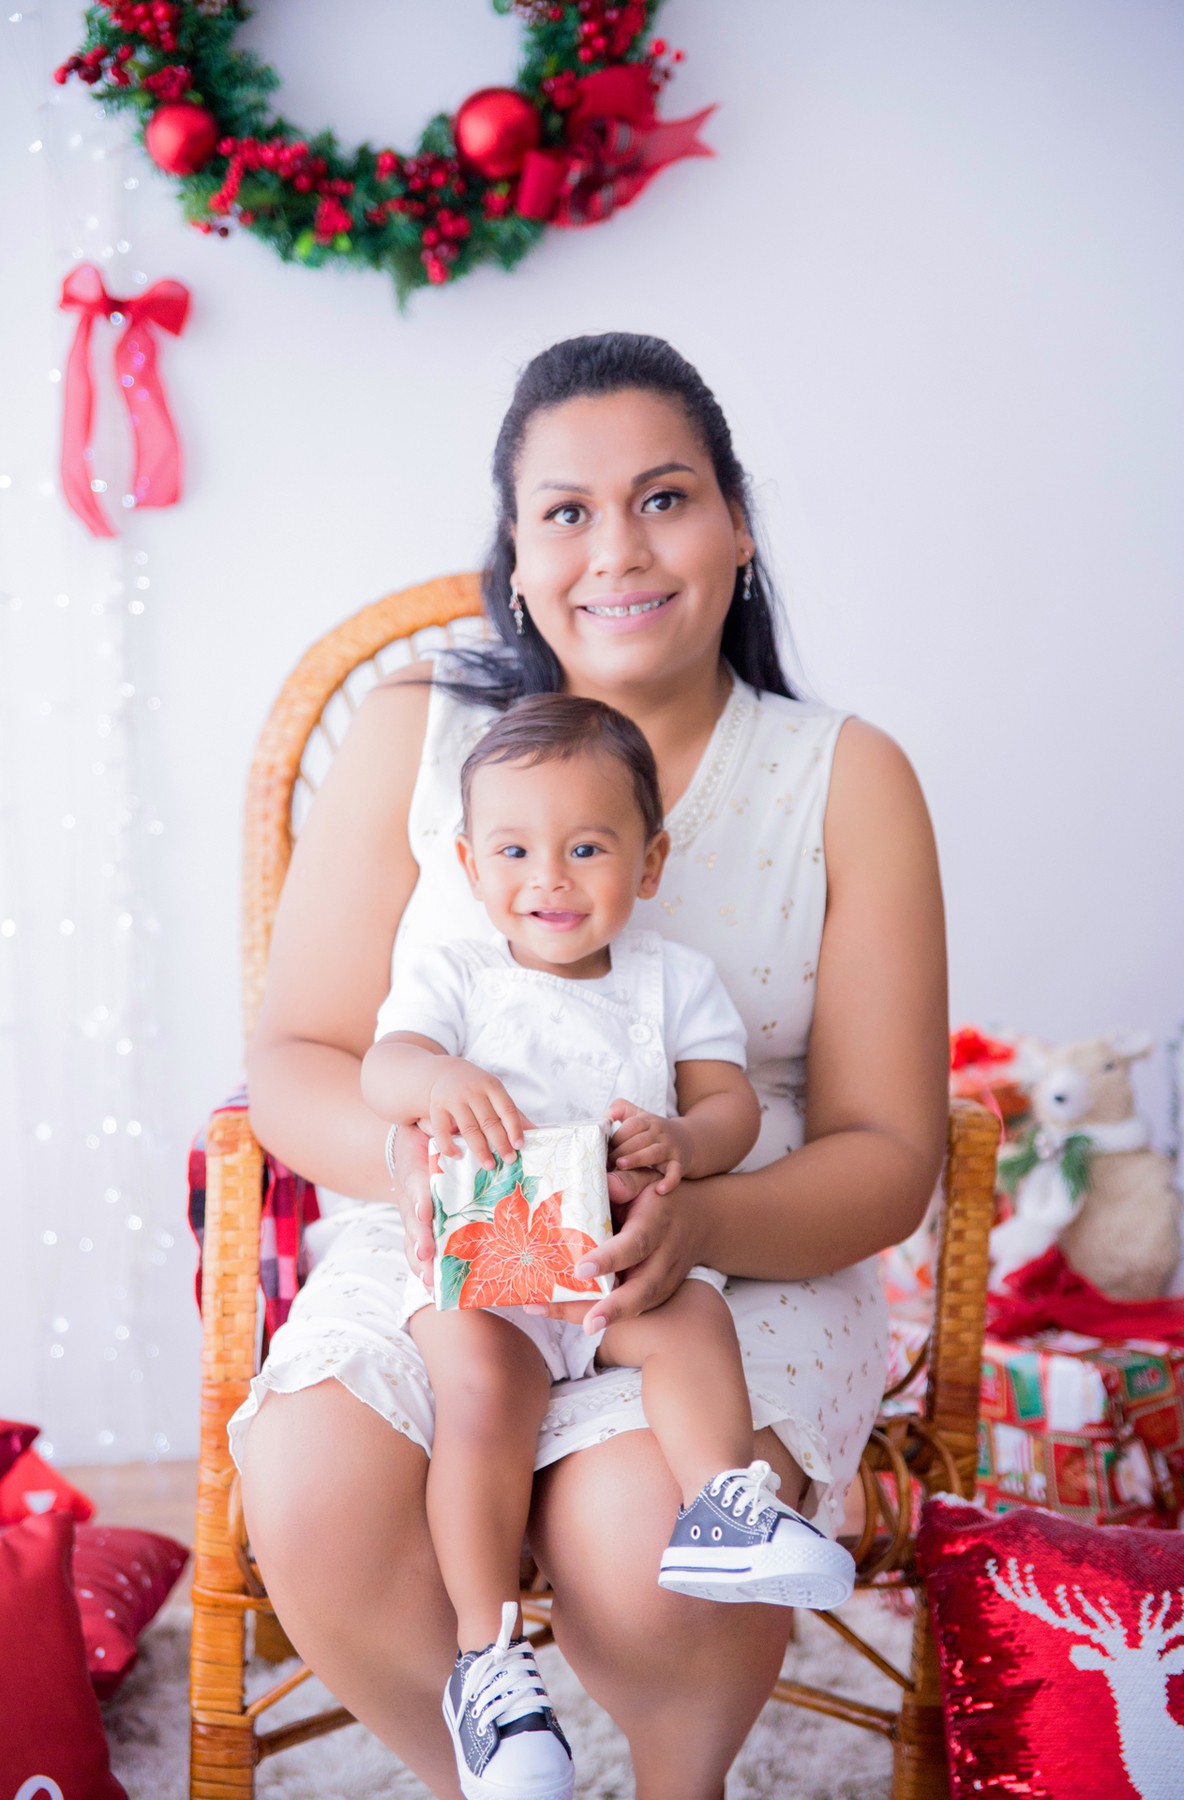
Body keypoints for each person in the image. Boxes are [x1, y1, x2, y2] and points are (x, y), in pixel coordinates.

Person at [234, 333, 947, 1800]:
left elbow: (888, 1149)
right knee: (309, 1481)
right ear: (514, 547)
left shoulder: (846, 777)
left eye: (665, 497)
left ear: (739, 525)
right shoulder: (415, 739)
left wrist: (697, 1215)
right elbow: (300, 1057)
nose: (615, 549)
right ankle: (488, 1772)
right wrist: (440, 1174)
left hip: (727, 1251)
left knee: (646, 1550)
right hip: (439, 1231)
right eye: (565, 510)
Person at [361, 692, 857, 1799]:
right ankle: (489, 1660)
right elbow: (380, 1070)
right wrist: (437, 1080)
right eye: (515, 850)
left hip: (611, 1262)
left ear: (650, 861)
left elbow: (730, 1109)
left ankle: (724, 1503)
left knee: (694, 1318)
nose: (549, 877)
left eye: (587, 847)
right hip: (487, 1265)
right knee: (483, 1391)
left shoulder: (673, 980)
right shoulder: (459, 975)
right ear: (470, 864)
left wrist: (683, 1138)